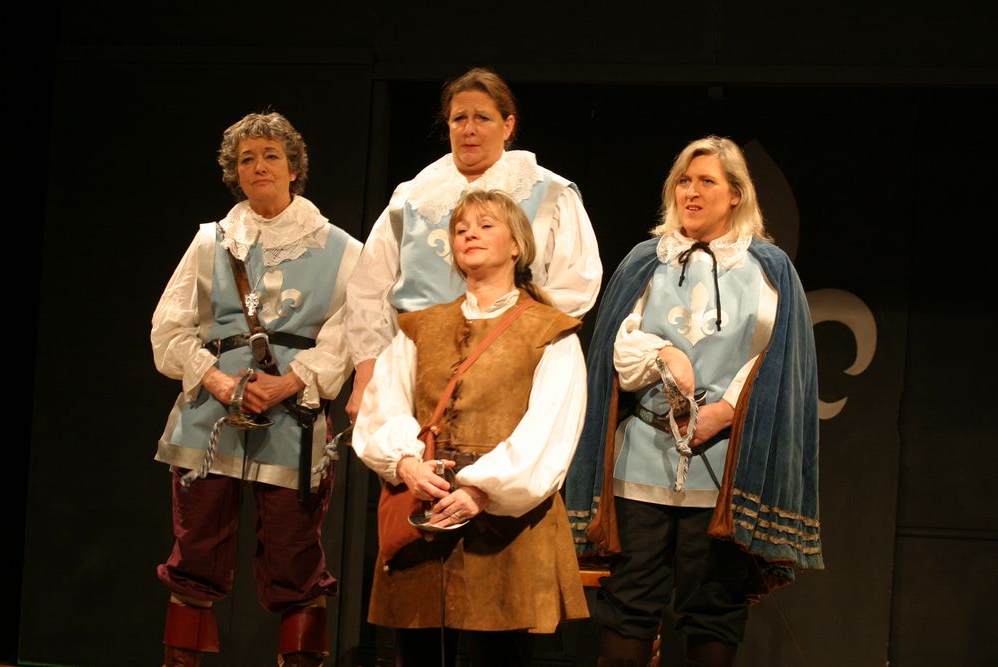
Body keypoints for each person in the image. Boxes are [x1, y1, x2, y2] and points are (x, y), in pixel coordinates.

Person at [564, 136, 823, 667]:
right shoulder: (647, 261)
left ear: (735, 194)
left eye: (707, 181)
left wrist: (726, 411)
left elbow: (777, 358)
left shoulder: (768, 268)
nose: (692, 192)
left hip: (723, 465)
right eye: (684, 180)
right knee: (629, 603)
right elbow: (617, 351)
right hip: (642, 458)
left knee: (713, 607)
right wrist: (664, 354)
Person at [150, 111, 362, 667]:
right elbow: (169, 329)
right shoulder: (210, 242)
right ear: (234, 173)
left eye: (271, 155)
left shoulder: (343, 249)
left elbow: (353, 333)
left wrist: (292, 380)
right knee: (196, 550)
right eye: (247, 159)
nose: (259, 166)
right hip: (211, 415)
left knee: (295, 555)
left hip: (293, 418)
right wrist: (217, 380)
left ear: (294, 168)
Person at [352, 189, 590, 666]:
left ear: (517, 245)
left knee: (498, 655)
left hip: (506, 522)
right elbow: (385, 405)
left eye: (485, 225)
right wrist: (406, 465)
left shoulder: (550, 330)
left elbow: (550, 429)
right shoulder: (419, 327)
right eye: (461, 229)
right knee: (416, 654)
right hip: (427, 509)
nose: (470, 235)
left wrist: (482, 491)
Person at [344, 66, 602, 420]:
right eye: (459, 118)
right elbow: (369, 289)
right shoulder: (413, 197)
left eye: (482, 117)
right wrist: (367, 369)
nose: (469, 129)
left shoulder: (549, 194)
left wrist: (515, 341)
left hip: (511, 365)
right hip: (414, 367)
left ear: (507, 126)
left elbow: (576, 283)